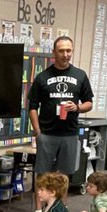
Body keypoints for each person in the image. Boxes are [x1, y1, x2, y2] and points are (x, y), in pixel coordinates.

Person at [27, 37, 94, 175]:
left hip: (70, 134)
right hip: (46, 133)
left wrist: (77, 107)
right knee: (43, 175)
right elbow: (32, 107)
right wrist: (38, 132)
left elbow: (89, 103)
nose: (65, 55)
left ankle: (60, 198)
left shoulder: (80, 75)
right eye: (61, 51)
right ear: (54, 52)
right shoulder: (42, 77)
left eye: (68, 51)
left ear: (72, 51)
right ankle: (41, 197)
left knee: (63, 177)